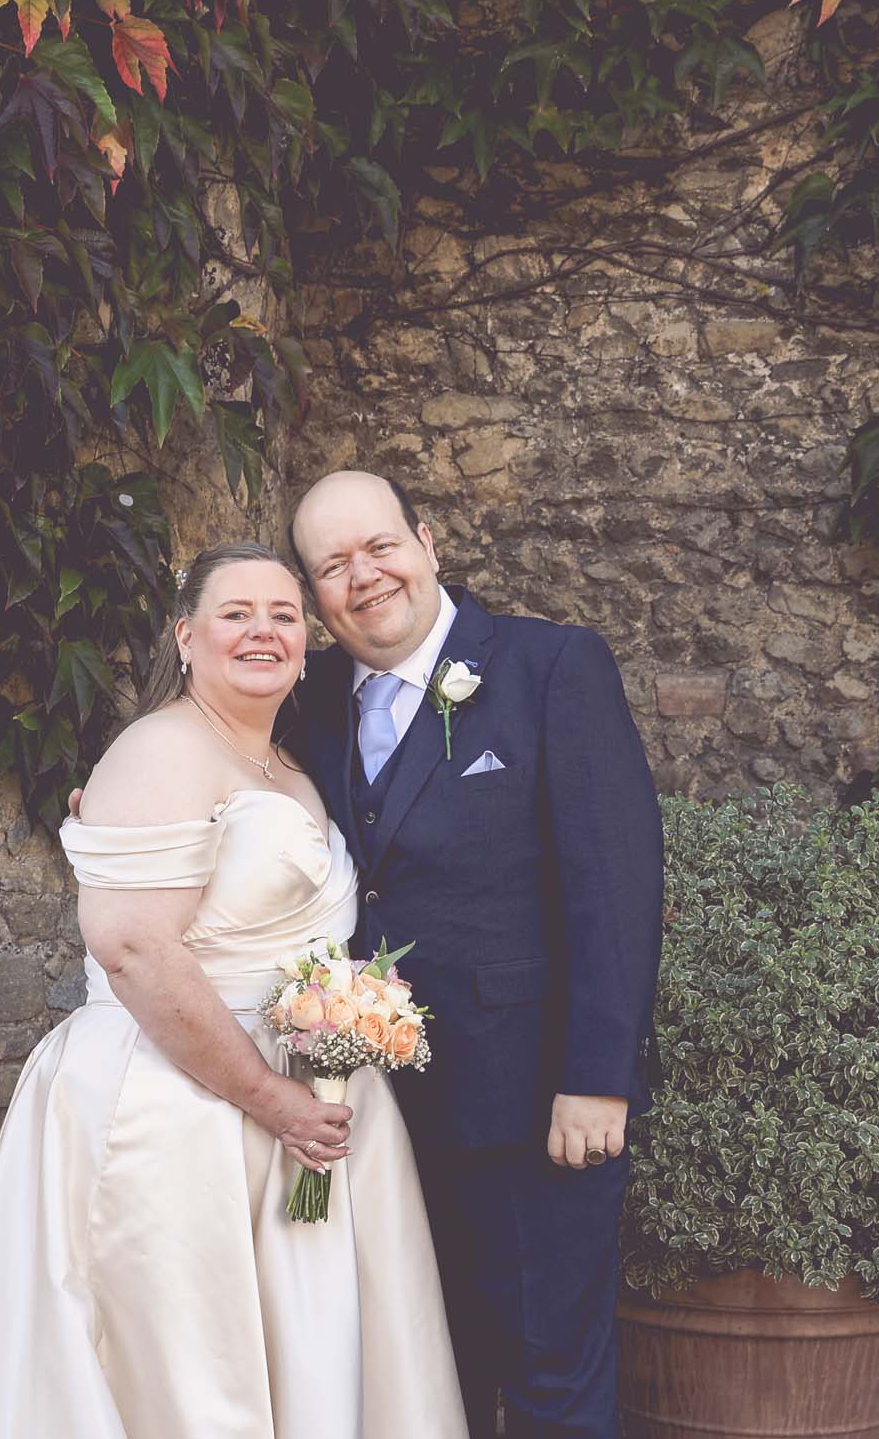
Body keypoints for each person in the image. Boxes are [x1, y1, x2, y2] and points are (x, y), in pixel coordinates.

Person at [0, 541, 467, 1439]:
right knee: (175, 1366)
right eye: (235, 614)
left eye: (284, 615)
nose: (263, 631)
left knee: (300, 1349)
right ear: (185, 636)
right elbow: (131, 946)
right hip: (178, 1104)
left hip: (302, 1106)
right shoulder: (160, 749)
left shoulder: (285, 765)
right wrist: (271, 1097)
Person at [289, 471, 664, 1439]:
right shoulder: (309, 702)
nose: (363, 577)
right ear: (316, 597)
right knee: (425, 1385)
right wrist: (118, 805)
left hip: (533, 1112)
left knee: (551, 1388)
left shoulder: (552, 667)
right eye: (333, 566)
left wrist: (598, 1079)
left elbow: (614, 884)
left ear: (428, 539)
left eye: (379, 547)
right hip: (381, 1121)